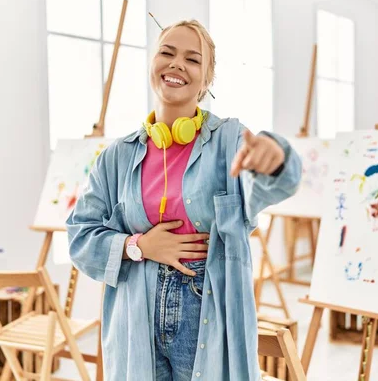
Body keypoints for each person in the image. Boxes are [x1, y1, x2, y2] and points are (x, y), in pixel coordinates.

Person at [66, 19, 301, 381]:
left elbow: (270, 183)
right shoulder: (116, 157)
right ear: (152, 65)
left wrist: (276, 159)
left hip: (207, 309)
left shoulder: (230, 141)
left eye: (193, 59)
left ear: (206, 81)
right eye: (166, 52)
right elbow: (80, 238)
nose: (177, 64)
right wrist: (139, 246)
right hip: (136, 316)